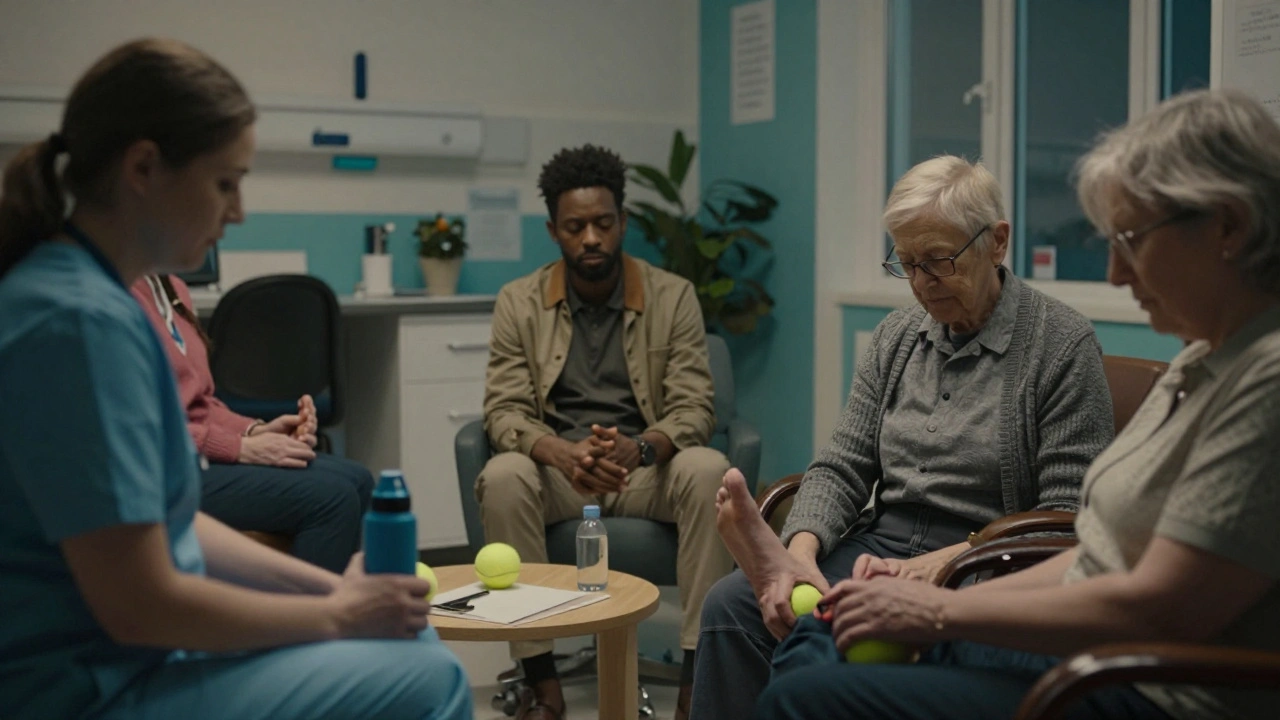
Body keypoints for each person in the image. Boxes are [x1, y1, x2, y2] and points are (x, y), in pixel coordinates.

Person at [744, 88, 1280, 720]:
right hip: (1070, 639)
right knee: (820, 635)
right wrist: (909, 594)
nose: (1114, 273)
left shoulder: (1263, 381)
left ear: (1227, 226)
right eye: (908, 264)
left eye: (1132, 239)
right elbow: (1094, 553)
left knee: (805, 693)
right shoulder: (1201, 362)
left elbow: (1152, 603)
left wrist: (941, 604)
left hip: (1134, 681)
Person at [0, 38, 470, 720]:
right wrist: (338, 616)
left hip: (126, 658)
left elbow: (173, 524)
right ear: (143, 168)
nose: (239, 210)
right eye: (225, 183)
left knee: (410, 634)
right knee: (431, 677)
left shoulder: (85, 298)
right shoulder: (78, 324)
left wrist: (331, 593)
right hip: (87, 689)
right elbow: (138, 607)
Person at [690, 155, 1115, 718]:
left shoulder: (1061, 344)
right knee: (731, 606)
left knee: (825, 637)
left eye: (937, 262)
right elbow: (843, 464)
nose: (920, 284)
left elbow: (1066, 516)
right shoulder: (897, 336)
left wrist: (946, 563)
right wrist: (801, 553)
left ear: (997, 242)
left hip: (984, 561)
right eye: (907, 264)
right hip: (877, 547)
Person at [479, 144, 733, 719]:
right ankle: (542, 684)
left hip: (645, 469)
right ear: (554, 230)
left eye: (603, 223)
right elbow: (505, 410)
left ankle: (697, 685)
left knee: (707, 468)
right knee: (504, 474)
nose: (591, 238)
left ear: (623, 221)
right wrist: (562, 454)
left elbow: (694, 405)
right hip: (561, 474)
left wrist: (640, 448)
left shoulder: (673, 295)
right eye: (575, 227)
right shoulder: (519, 302)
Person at [130, 272, 373, 573]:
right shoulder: (119, 302)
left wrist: (255, 430)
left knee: (358, 479)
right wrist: (238, 447)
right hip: (158, 469)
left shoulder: (171, 288)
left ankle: (328, 598)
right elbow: (140, 429)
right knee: (333, 498)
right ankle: (312, 604)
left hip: (194, 453)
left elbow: (200, 403)